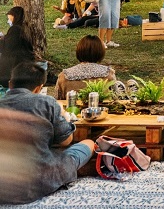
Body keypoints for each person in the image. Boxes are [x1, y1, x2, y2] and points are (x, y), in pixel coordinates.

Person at [0, 62, 96, 204]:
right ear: (39, 88)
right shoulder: (48, 103)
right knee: (88, 143)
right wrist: (62, 113)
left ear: (10, 84)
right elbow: (66, 141)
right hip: (36, 182)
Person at [55, 35, 116, 99]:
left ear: (79, 51)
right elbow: (117, 99)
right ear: (101, 52)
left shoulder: (64, 76)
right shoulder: (108, 74)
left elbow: (57, 101)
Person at [0, 7, 35, 89]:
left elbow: (8, 47)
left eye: (9, 18)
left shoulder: (15, 29)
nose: (8, 20)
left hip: (17, 62)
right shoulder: (25, 27)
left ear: (15, 16)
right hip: (25, 59)